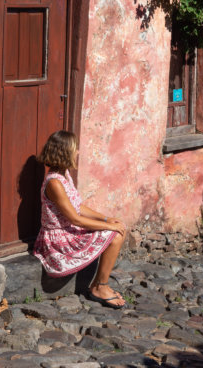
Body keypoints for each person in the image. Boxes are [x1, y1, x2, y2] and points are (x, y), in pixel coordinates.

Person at [32, 130, 126, 308]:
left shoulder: (64, 176)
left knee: (116, 228)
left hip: (70, 231)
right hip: (59, 240)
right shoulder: (54, 183)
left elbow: (78, 207)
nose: (78, 153)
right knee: (116, 235)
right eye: (75, 149)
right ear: (65, 152)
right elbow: (75, 219)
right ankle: (100, 287)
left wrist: (107, 219)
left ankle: (99, 284)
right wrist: (108, 227)